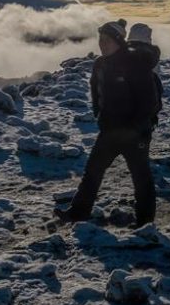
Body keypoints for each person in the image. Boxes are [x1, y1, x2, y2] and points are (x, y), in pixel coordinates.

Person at [56, 19, 159, 227]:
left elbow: (149, 101)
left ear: (118, 41)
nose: (102, 44)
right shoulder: (100, 64)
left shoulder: (135, 64)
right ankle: (78, 212)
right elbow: (96, 92)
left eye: (107, 40)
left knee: (141, 177)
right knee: (92, 172)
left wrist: (134, 127)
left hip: (134, 133)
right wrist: (99, 115)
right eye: (100, 39)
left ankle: (145, 222)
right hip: (110, 130)